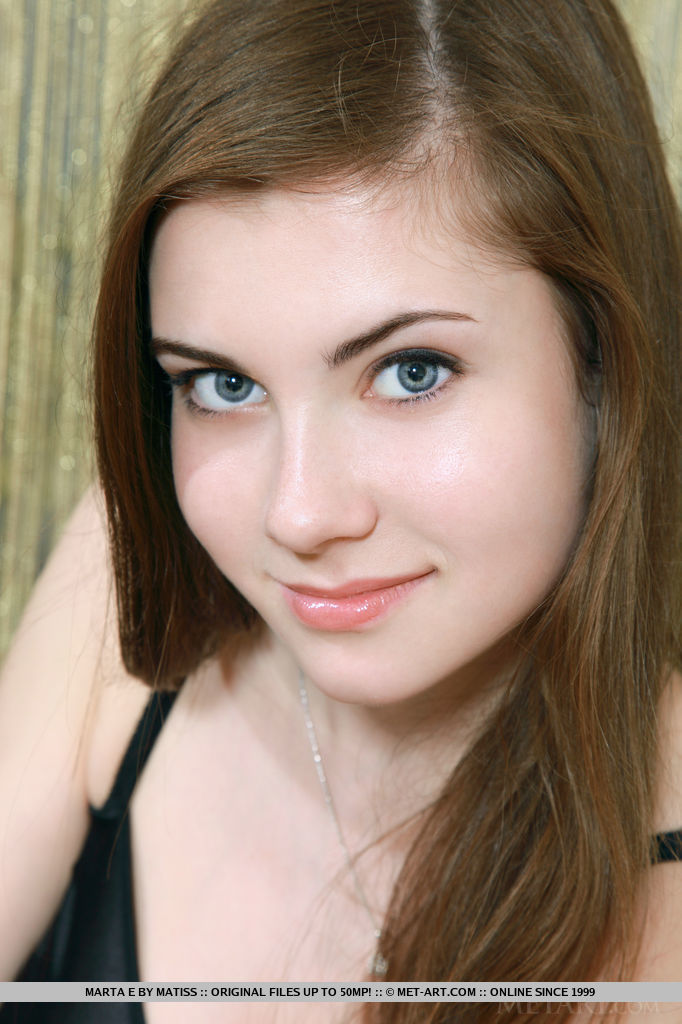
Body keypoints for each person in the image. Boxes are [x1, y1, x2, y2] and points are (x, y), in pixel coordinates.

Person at [0, 0, 680, 1021]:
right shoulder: (119, 568)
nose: (297, 515)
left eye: (411, 371)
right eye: (223, 386)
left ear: (603, 362)